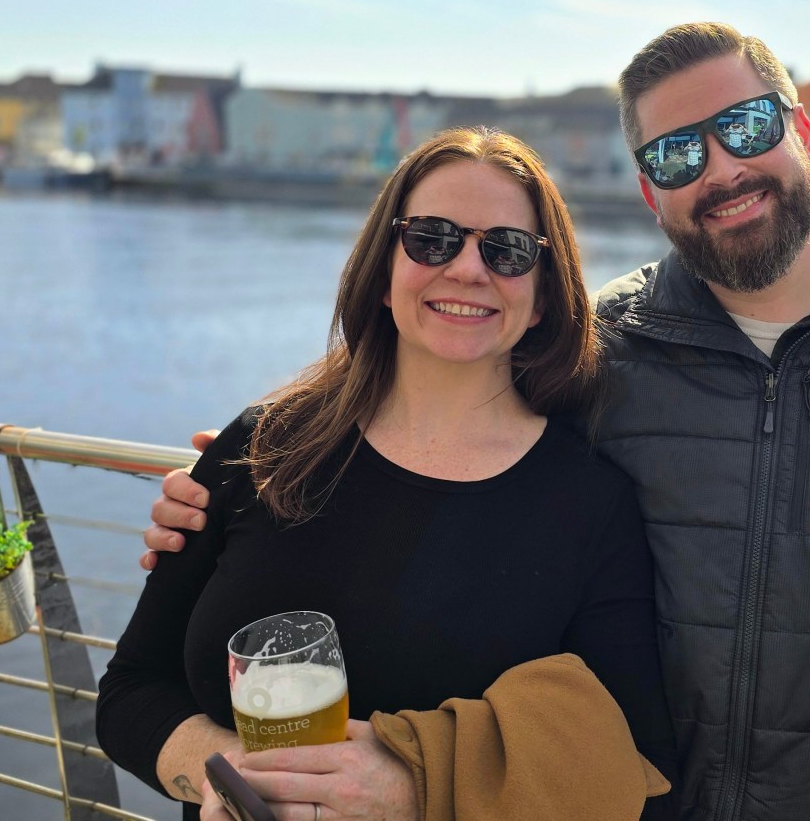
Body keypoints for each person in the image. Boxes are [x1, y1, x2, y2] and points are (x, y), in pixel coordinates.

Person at [144, 24, 810, 821]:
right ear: (648, 188)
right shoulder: (600, 348)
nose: (720, 169)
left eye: (746, 128)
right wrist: (229, 497)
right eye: (675, 151)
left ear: (805, 132)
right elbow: (442, 447)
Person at [99, 127, 678, 821]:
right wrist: (222, 779)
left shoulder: (591, 505)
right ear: (382, 271)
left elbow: (641, 768)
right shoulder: (262, 449)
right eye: (431, 238)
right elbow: (132, 689)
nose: (467, 269)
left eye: (507, 250)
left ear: (545, 295)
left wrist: (414, 787)